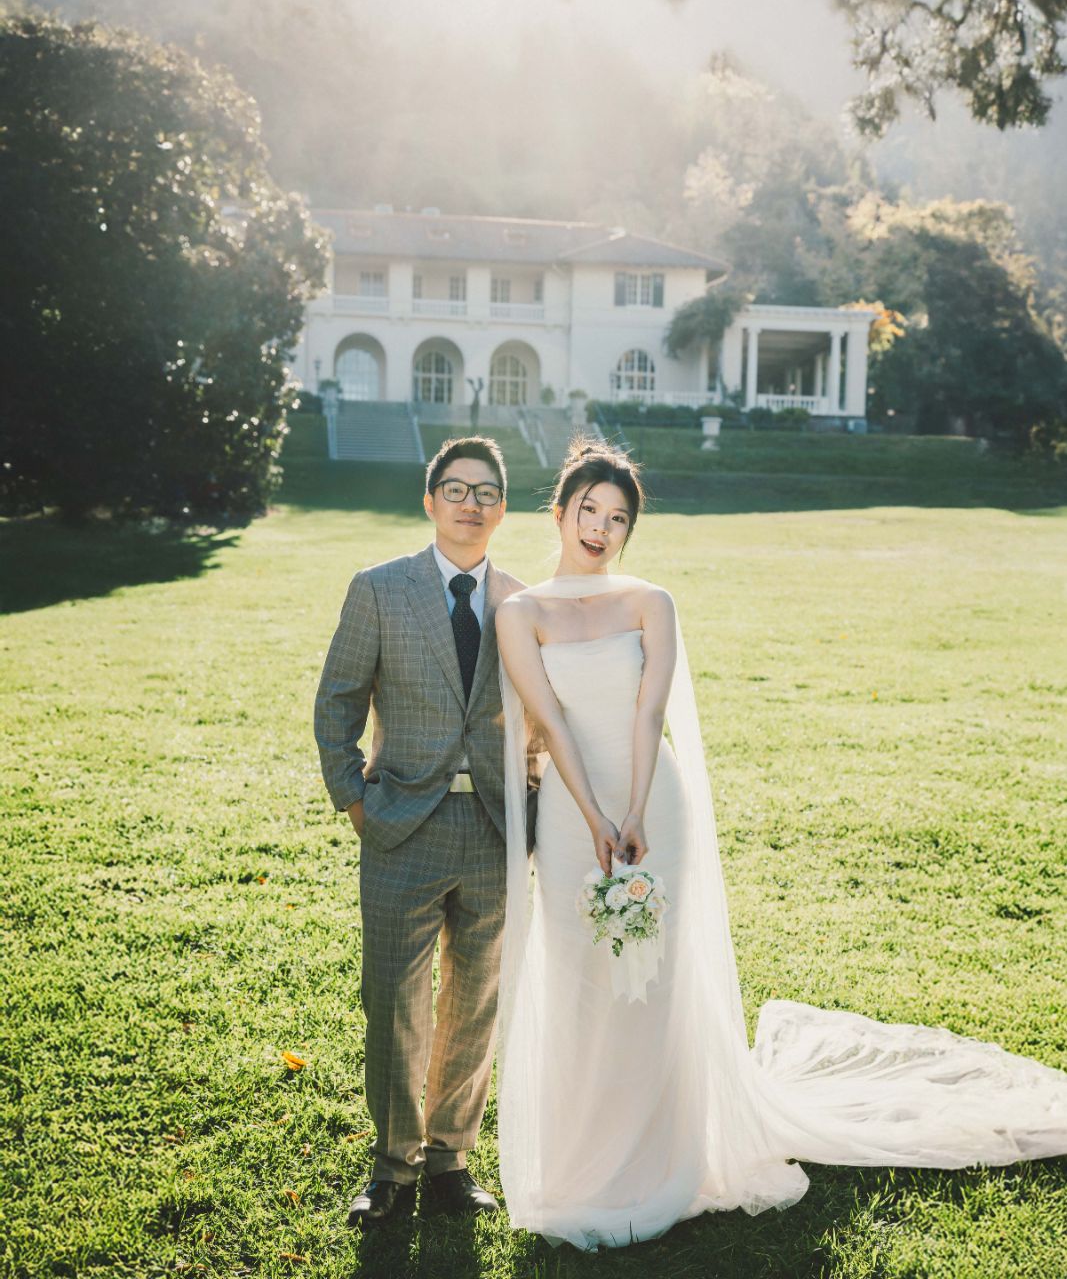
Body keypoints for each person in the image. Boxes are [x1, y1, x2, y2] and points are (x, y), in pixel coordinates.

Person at [494, 436, 1067, 1252]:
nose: (601, 527)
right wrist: (592, 816)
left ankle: (666, 1157)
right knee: (582, 976)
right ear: (559, 511)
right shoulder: (521, 613)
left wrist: (636, 813)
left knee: (655, 983)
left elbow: (647, 714)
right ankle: (584, 1164)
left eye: (618, 517)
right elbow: (548, 721)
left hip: (657, 804)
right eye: (588, 509)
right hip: (567, 811)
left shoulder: (650, 601)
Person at [314, 435, 525, 1226]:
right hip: (399, 824)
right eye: (456, 489)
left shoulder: (523, 599)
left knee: (475, 1004)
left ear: (501, 509)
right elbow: (338, 700)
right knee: (396, 1005)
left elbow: (538, 718)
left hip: (493, 830)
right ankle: (392, 1168)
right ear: (430, 499)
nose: (471, 503)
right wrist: (353, 801)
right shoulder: (379, 589)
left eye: (486, 492)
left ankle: (450, 1161)